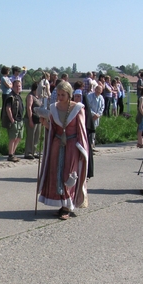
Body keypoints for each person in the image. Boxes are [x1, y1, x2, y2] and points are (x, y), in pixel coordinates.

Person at [38, 81, 88, 220]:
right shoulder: (54, 108)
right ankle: (62, 204)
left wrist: (81, 149)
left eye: (63, 95)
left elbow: (81, 131)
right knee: (56, 173)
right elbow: (53, 128)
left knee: (69, 174)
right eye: (58, 94)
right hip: (57, 144)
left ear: (69, 94)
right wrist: (45, 124)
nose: (60, 97)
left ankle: (68, 206)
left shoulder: (78, 108)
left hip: (72, 145)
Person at [3, 80, 24, 162]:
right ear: (13, 86)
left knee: (19, 137)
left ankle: (13, 153)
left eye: (19, 86)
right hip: (14, 120)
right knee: (13, 138)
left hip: (20, 120)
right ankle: (10, 155)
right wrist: (12, 120)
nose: (18, 87)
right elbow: (8, 108)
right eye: (16, 86)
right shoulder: (11, 96)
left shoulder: (18, 96)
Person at [24, 82, 42, 160]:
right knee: (31, 136)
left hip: (38, 119)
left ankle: (34, 151)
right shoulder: (30, 96)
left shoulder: (37, 97)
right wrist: (30, 120)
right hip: (31, 118)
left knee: (36, 136)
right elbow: (29, 108)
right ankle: (28, 152)